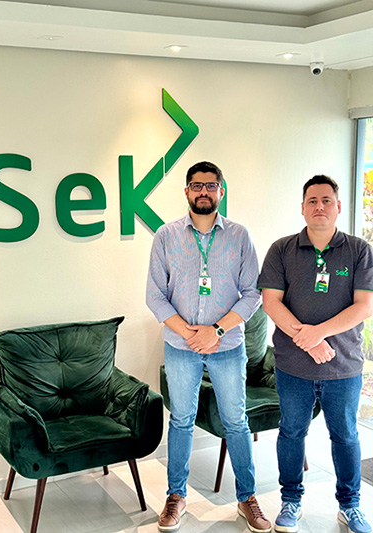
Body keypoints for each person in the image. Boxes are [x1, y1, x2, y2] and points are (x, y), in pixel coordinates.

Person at [146, 161, 271, 532]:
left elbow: (252, 294)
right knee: (181, 420)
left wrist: (214, 330)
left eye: (211, 185)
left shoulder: (239, 236)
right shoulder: (166, 236)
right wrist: (190, 333)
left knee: (236, 421)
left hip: (227, 345)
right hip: (181, 345)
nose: (204, 191)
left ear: (221, 190)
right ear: (186, 191)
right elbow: (155, 296)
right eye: (197, 185)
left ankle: (247, 498)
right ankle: (176, 496)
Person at [259, 175, 373, 533]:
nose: (319, 206)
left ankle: (350, 506)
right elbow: (270, 302)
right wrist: (307, 341)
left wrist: (318, 334)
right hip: (293, 367)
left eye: (326, 200)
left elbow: (365, 306)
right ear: (302, 208)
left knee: (346, 436)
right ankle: (290, 500)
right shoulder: (282, 249)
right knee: (292, 433)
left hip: (343, 367)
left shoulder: (358, 250)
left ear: (338, 207)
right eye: (312, 200)